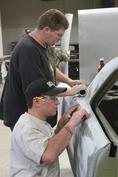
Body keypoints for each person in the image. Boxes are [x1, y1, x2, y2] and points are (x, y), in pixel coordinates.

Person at [0, 9, 85, 130]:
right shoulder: (28, 50)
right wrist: (69, 92)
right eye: (59, 35)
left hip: (35, 113)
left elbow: (50, 68)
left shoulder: (44, 45)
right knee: (36, 148)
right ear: (46, 30)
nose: (60, 39)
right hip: (22, 114)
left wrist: (69, 81)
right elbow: (38, 87)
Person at [10, 79, 89, 177]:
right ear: (37, 101)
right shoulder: (26, 128)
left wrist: (61, 125)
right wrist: (72, 123)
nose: (57, 103)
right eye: (53, 98)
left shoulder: (39, 122)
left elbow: (48, 143)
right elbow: (49, 154)